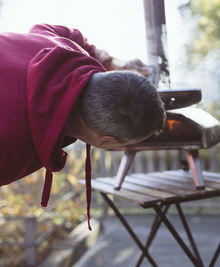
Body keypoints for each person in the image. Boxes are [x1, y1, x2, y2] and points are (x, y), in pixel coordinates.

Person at [0, 24, 166, 229]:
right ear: (106, 140)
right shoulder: (12, 147)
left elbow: (63, 33)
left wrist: (114, 63)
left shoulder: (62, 47)